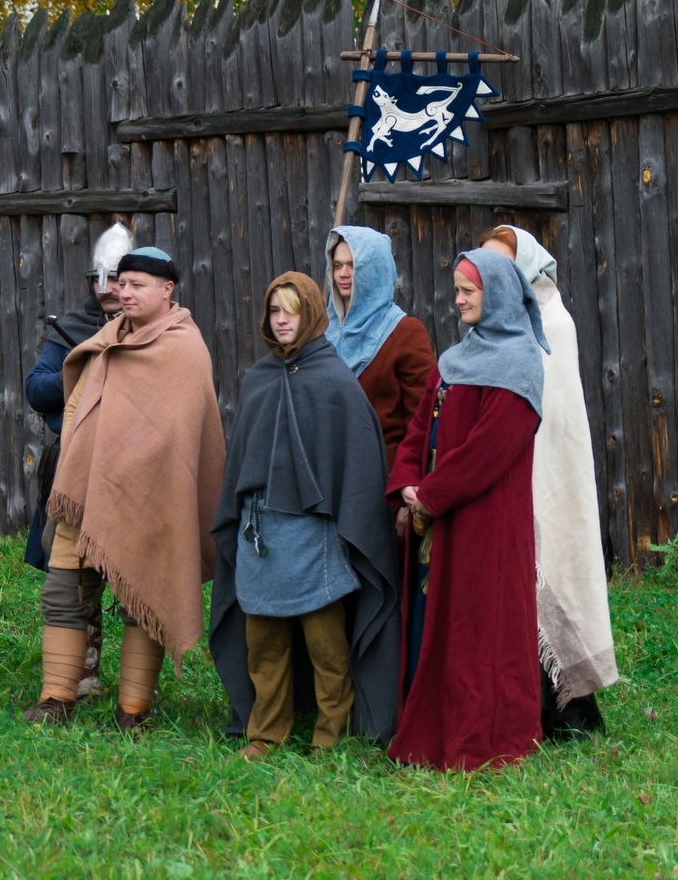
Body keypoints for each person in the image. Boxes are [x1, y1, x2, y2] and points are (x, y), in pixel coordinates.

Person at [26, 245, 225, 730]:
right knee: (64, 590)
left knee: (144, 596)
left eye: (138, 285)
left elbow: (178, 435)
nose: (125, 292)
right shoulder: (106, 339)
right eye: (121, 283)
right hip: (84, 491)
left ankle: (132, 711)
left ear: (167, 289)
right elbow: (76, 412)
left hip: (149, 495)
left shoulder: (183, 349)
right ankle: (56, 699)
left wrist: (133, 473)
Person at [209, 273, 400, 758]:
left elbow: (358, 462)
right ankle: (265, 734)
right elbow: (242, 462)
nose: (282, 319)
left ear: (311, 315)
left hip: (315, 536)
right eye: (275, 311)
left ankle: (330, 736)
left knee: (326, 646)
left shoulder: (334, 381)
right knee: (263, 643)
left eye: (291, 310)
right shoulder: (260, 377)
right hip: (261, 533)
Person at [386, 248, 546, 771]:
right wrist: (407, 481)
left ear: (495, 294)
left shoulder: (519, 366)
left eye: (467, 291)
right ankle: (428, 731)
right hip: (438, 519)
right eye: (456, 290)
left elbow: (487, 452)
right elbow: (417, 431)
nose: (457, 301)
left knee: (481, 630)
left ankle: (485, 738)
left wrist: (428, 496)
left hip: (486, 527)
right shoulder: (454, 360)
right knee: (435, 623)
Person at [482, 225, 618, 737]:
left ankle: (570, 708)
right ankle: (527, 704)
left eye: (503, 261)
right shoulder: (493, 323)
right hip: (507, 471)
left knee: (552, 570)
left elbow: (556, 414)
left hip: (546, 468)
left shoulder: (552, 320)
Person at [21, 223, 131, 699]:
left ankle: (137, 691)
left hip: (130, 473)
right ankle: (82, 675)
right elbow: (36, 388)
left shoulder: (158, 330)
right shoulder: (74, 327)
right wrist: (83, 367)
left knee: (133, 582)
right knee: (71, 576)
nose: (107, 289)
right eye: (99, 279)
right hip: (75, 468)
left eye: (118, 279)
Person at [327, 226, 437, 469]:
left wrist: (408, 483)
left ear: (374, 268)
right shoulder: (324, 331)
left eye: (353, 265)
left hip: (380, 473)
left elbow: (422, 419)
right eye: (337, 265)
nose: (343, 274)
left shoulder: (405, 332)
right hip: (329, 470)